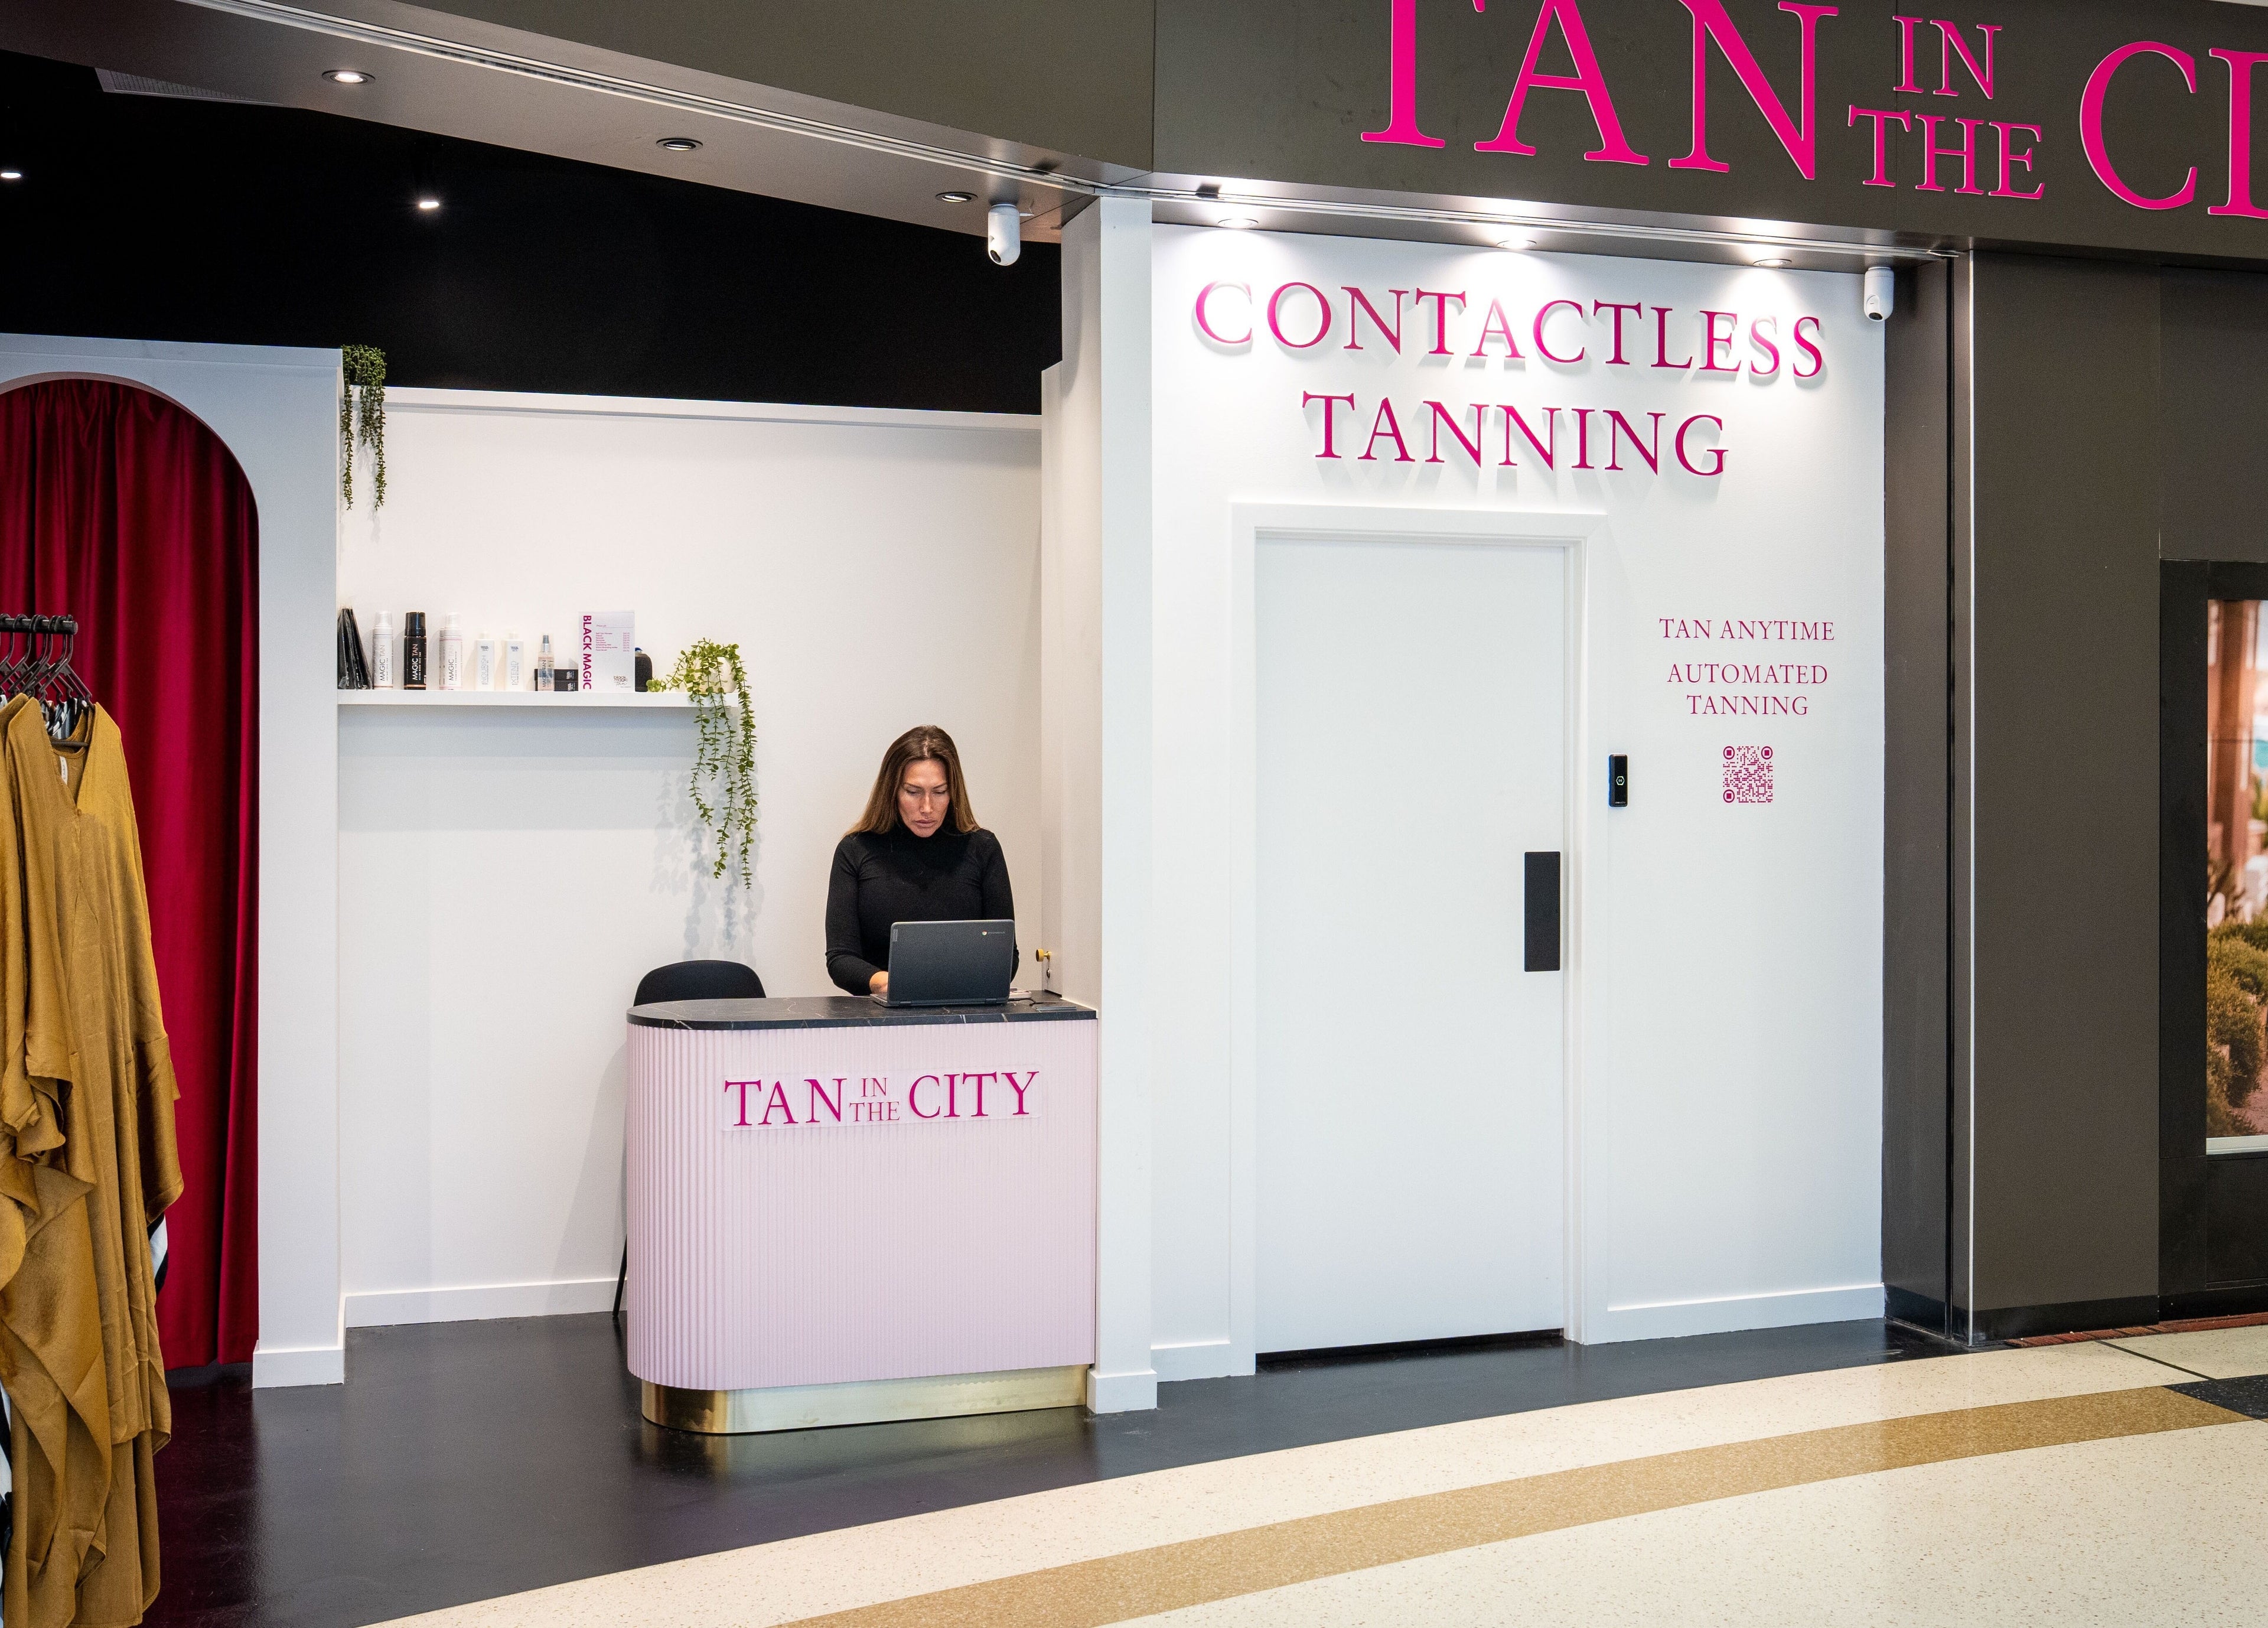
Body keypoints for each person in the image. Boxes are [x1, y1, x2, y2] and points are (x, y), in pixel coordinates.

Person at [826, 725, 1014, 996]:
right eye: (913, 792)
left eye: (939, 792)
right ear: (892, 791)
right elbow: (841, 959)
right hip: (882, 1020)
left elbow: (1007, 956)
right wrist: (889, 982)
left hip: (967, 1016)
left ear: (954, 792)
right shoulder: (855, 850)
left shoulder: (982, 848)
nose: (927, 807)